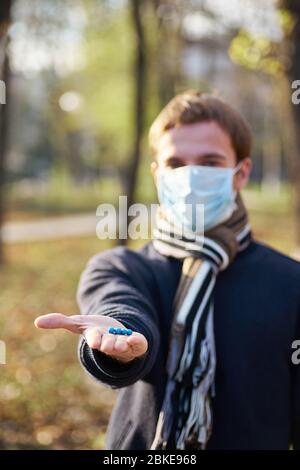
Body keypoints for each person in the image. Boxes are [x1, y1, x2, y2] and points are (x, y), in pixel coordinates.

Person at [34, 90, 300, 450]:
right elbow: (121, 307)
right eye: (176, 164)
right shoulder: (121, 266)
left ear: (241, 173)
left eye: (209, 162)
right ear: (158, 174)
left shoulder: (289, 283)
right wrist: (121, 339)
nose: (191, 177)